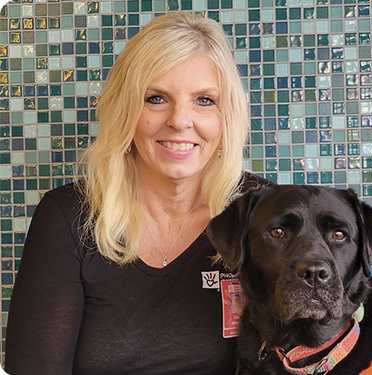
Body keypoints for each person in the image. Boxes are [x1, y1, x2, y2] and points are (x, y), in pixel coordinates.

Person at [5, 12, 268, 374]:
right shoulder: (68, 218)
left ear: (227, 116)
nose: (179, 120)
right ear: (125, 110)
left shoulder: (266, 215)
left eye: (204, 100)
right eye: (156, 98)